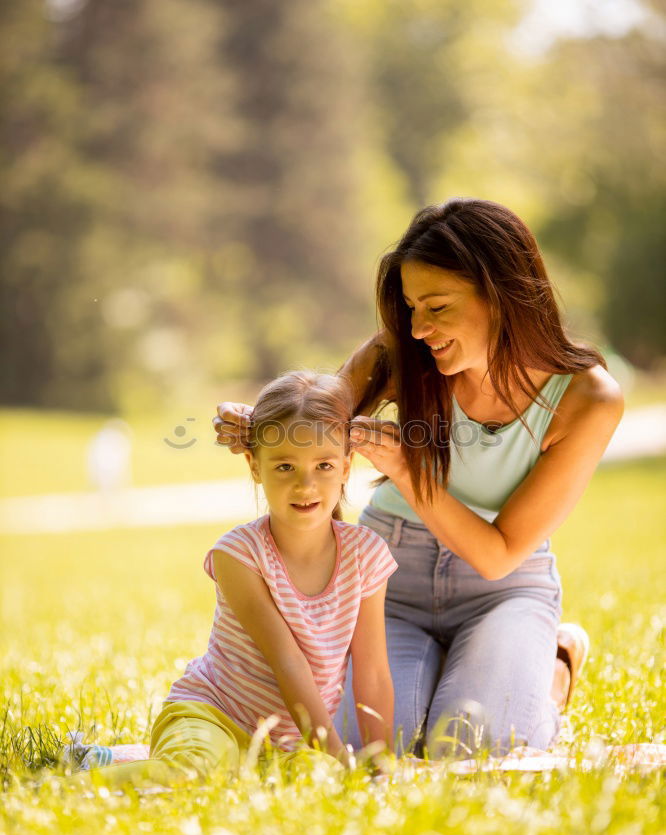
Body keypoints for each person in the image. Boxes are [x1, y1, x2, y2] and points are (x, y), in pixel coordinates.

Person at [215, 198, 623, 757]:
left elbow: (499, 553)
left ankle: (551, 670)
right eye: (410, 307)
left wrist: (408, 472)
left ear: (501, 295)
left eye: (436, 306)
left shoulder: (587, 398)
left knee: (473, 745)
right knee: (380, 746)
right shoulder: (404, 350)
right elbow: (318, 415)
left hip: (503, 590)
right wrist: (259, 426)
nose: (418, 327)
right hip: (389, 584)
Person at [74, 371, 397, 789]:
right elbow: (287, 661)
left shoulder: (366, 555)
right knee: (192, 773)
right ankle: (64, 787)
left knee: (312, 789)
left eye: (323, 465)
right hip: (214, 715)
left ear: (346, 468)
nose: (305, 484)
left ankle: (106, 759)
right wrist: (335, 753)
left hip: (289, 742)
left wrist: (380, 766)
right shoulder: (238, 554)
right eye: (284, 465)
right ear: (255, 466)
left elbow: (372, 672)